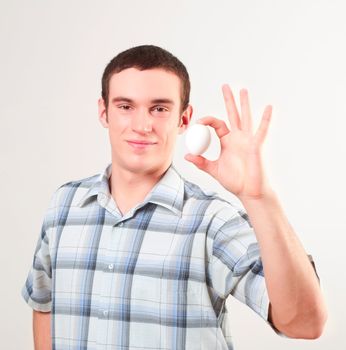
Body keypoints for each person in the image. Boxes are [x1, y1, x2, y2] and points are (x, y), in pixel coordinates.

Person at [22, 44, 327, 350]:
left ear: (183, 119)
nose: (142, 126)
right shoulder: (65, 205)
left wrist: (260, 198)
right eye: (126, 106)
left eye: (159, 108)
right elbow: (44, 304)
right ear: (104, 112)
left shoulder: (211, 222)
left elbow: (304, 323)